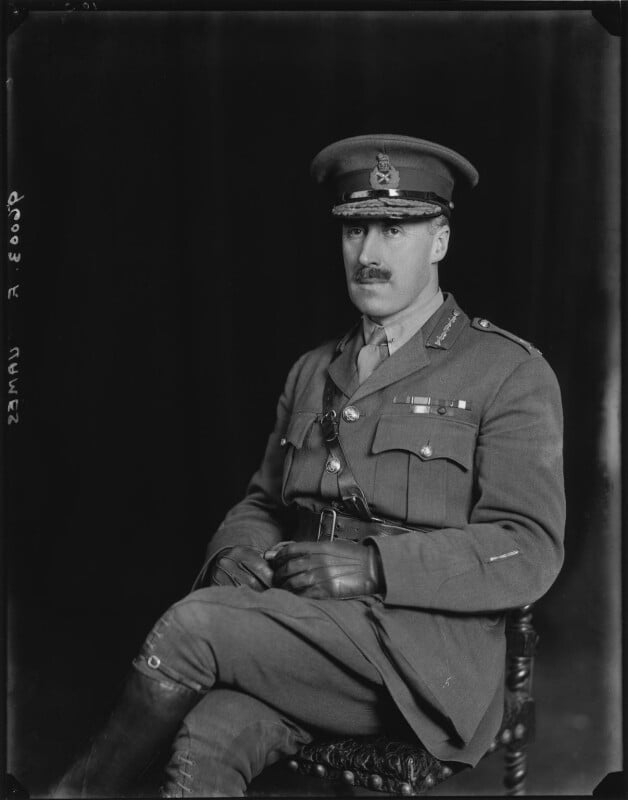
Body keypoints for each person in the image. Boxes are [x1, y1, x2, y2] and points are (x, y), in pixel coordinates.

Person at [53, 134, 565, 798]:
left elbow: (529, 547)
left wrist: (375, 567)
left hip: (421, 657)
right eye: (355, 230)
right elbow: (263, 502)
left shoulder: (507, 371)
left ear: (439, 241)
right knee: (210, 734)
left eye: (395, 229)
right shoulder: (313, 370)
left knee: (191, 627)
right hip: (306, 630)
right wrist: (234, 553)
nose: (369, 254)